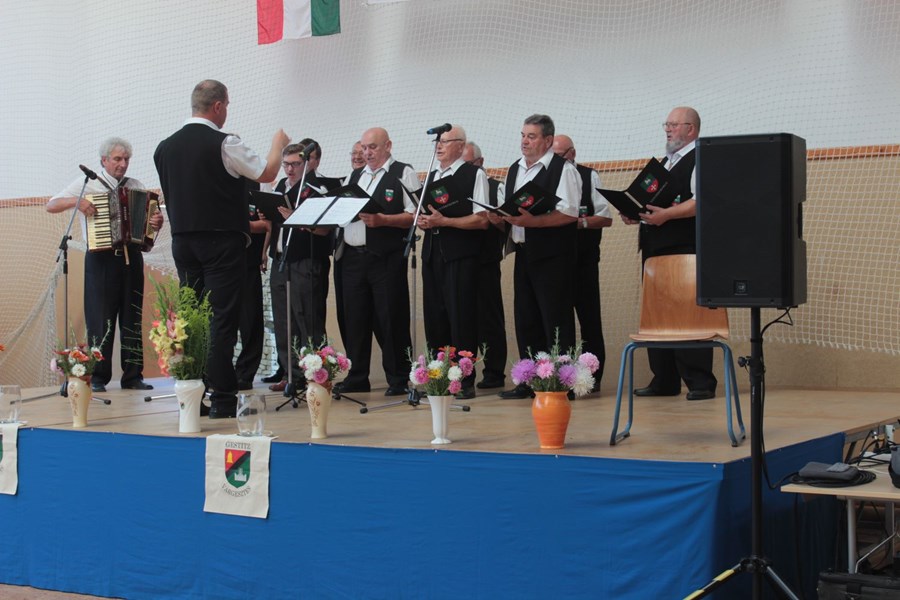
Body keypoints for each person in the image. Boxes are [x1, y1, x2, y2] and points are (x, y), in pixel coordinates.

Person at [154, 79, 290, 418]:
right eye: (226, 106)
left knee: (192, 318)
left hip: (183, 242)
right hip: (220, 242)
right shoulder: (224, 142)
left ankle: (193, 393)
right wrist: (278, 144)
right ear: (217, 106)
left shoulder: (164, 148)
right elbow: (267, 172)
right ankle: (224, 398)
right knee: (221, 318)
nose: (226, 112)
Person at [47, 138, 164, 393]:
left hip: (132, 257)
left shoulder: (135, 186)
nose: (123, 164)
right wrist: (77, 202)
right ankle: (98, 376)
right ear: (104, 160)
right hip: (100, 259)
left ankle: (132, 377)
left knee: (132, 317)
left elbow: (150, 223)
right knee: (100, 319)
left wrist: (156, 222)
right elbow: (51, 204)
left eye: (126, 159)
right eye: (117, 159)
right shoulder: (88, 184)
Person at [619, 106, 716, 401]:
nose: (668, 129)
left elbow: (701, 201)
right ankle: (664, 379)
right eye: (667, 124)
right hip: (656, 249)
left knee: (688, 314)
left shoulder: (702, 157)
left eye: (674, 124)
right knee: (658, 313)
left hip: (685, 248)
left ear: (691, 129)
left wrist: (667, 215)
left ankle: (700, 381)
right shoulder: (666, 162)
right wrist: (635, 213)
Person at [499, 115, 581, 400]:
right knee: (526, 318)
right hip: (524, 252)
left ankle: (562, 383)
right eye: (523, 135)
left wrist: (533, 222)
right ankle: (529, 380)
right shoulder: (515, 168)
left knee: (555, 319)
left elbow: (569, 213)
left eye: (531, 136)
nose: (524, 141)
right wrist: (497, 215)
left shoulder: (562, 169)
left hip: (553, 256)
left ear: (547, 140)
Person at [334, 127, 420, 396]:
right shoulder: (355, 175)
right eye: (364, 147)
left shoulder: (403, 172)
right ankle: (358, 376)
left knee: (390, 318)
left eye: (372, 147)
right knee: (355, 319)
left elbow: (415, 214)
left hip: (385, 259)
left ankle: (398, 378)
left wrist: (383, 220)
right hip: (352, 257)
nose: (367, 152)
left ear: (388, 146)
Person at [417, 127, 489, 399]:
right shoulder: (432, 175)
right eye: (437, 142)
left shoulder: (474, 174)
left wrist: (445, 221)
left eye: (445, 141)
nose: (439, 146)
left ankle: (464, 380)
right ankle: (439, 378)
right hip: (432, 253)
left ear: (460, 146)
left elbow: (482, 219)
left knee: (461, 317)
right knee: (435, 317)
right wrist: (425, 221)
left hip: (461, 255)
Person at [264, 140, 335, 393]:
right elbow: (273, 225)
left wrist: (296, 217)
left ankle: (316, 375)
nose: (289, 169)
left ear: (307, 164)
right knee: (284, 321)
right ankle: (290, 374)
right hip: (281, 259)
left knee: (308, 320)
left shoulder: (318, 189)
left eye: (295, 164)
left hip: (306, 260)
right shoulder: (281, 186)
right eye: (286, 164)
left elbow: (325, 229)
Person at [552, 135, 612, 393]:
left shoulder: (589, 176)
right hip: (556, 262)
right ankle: (562, 376)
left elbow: (605, 217)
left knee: (589, 319)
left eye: (560, 156)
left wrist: (578, 222)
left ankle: (592, 378)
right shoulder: (547, 178)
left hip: (584, 260)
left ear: (572, 153)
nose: (556, 161)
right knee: (559, 321)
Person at [463, 141, 507, 389]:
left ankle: (494, 372)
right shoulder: (455, 185)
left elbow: (507, 224)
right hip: (459, 261)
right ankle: (463, 371)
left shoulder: (495, 187)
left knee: (489, 318)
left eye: (468, 164)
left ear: (480, 163)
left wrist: (497, 220)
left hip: (485, 260)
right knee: (463, 317)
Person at [234, 180, 270, 390]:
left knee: (251, 321)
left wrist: (263, 252)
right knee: (223, 321)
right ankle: (218, 373)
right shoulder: (218, 183)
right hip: (221, 263)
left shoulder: (258, 187)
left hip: (248, 263)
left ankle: (245, 374)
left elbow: (267, 225)